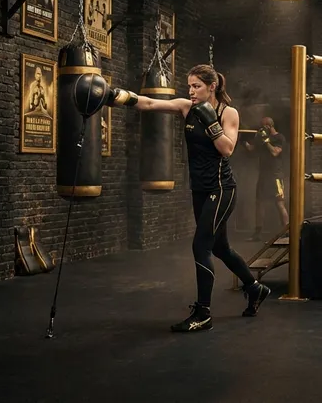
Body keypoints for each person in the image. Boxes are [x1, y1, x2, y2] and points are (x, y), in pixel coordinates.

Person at [105, 64, 271, 332]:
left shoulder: (228, 113)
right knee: (220, 248)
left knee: (201, 246)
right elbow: (149, 103)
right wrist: (116, 96)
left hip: (221, 189)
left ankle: (203, 313)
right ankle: (255, 288)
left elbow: (227, 149)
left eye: (197, 86)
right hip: (200, 189)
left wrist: (211, 123)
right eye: (189, 86)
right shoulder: (186, 107)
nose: (191, 91)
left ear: (212, 87)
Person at [243, 116, 289, 241]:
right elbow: (251, 148)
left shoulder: (279, 138)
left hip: (276, 175)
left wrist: (266, 140)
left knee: (279, 203)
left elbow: (275, 152)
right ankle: (257, 233)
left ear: (269, 126)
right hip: (263, 175)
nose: (261, 129)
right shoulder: (261, 138)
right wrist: (244, 141)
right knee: (259, 203)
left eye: (263, 126)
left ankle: (287, 231)